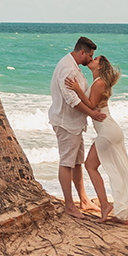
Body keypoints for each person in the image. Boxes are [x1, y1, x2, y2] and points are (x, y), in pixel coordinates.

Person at [65, 55, 128, 225]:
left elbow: (91, 106)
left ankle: (107, 206)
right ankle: (120, 213)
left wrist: (77, 89)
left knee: (91, 166)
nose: (92, 59)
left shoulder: (99, 83)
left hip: (107, 130)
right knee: (114, 171)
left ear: (100, 66)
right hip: (109, 129)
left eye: (96, 58)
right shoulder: (98, 81)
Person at [49, 36, 106, 218]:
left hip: (75, 124)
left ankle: (83, 200)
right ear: (82, 52)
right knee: (66, 163)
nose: (90, 59)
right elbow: (71, 100)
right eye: (90, 56)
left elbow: (79, 95)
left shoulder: (74, 66)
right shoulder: (67, 68)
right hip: (66, 123)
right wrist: (92, 114)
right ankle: (69, 205)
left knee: (76, 162)